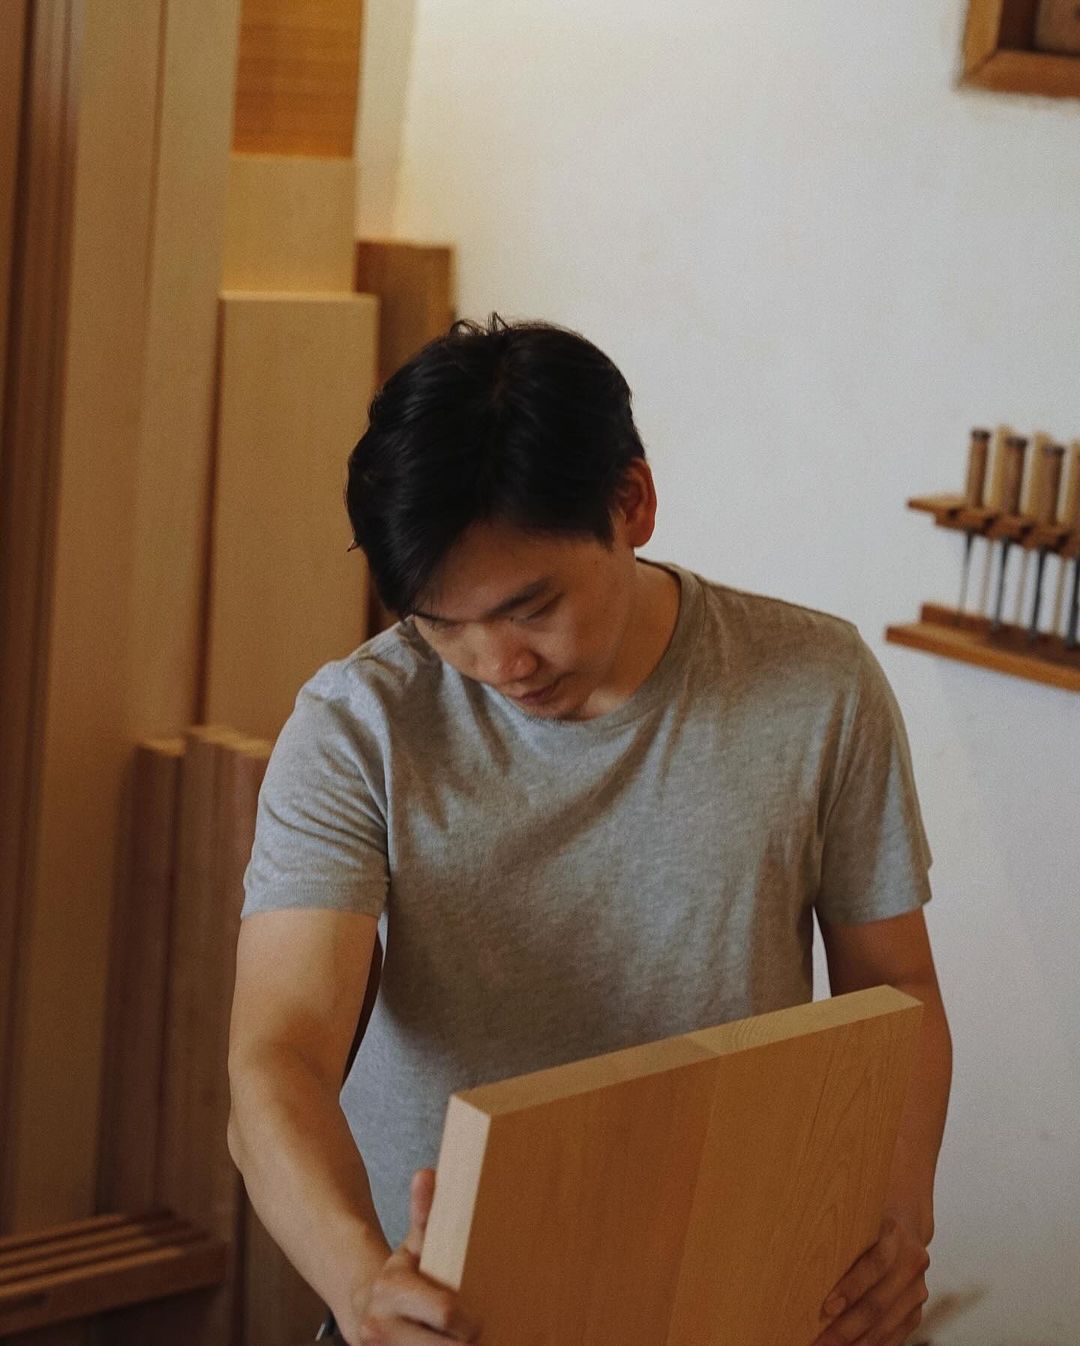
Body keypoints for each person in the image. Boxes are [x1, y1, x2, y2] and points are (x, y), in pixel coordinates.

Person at [228, 314, 952, 1346]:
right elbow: (277, 1056)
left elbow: (900, 990)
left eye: (530, 606)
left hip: (738, 1285)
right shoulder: (359, 725)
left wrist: (895, 1216)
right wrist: (357, 1284)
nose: (496, 661)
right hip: (442, 1310)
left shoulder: (814, 686)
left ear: (634, 504)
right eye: (442, 622)